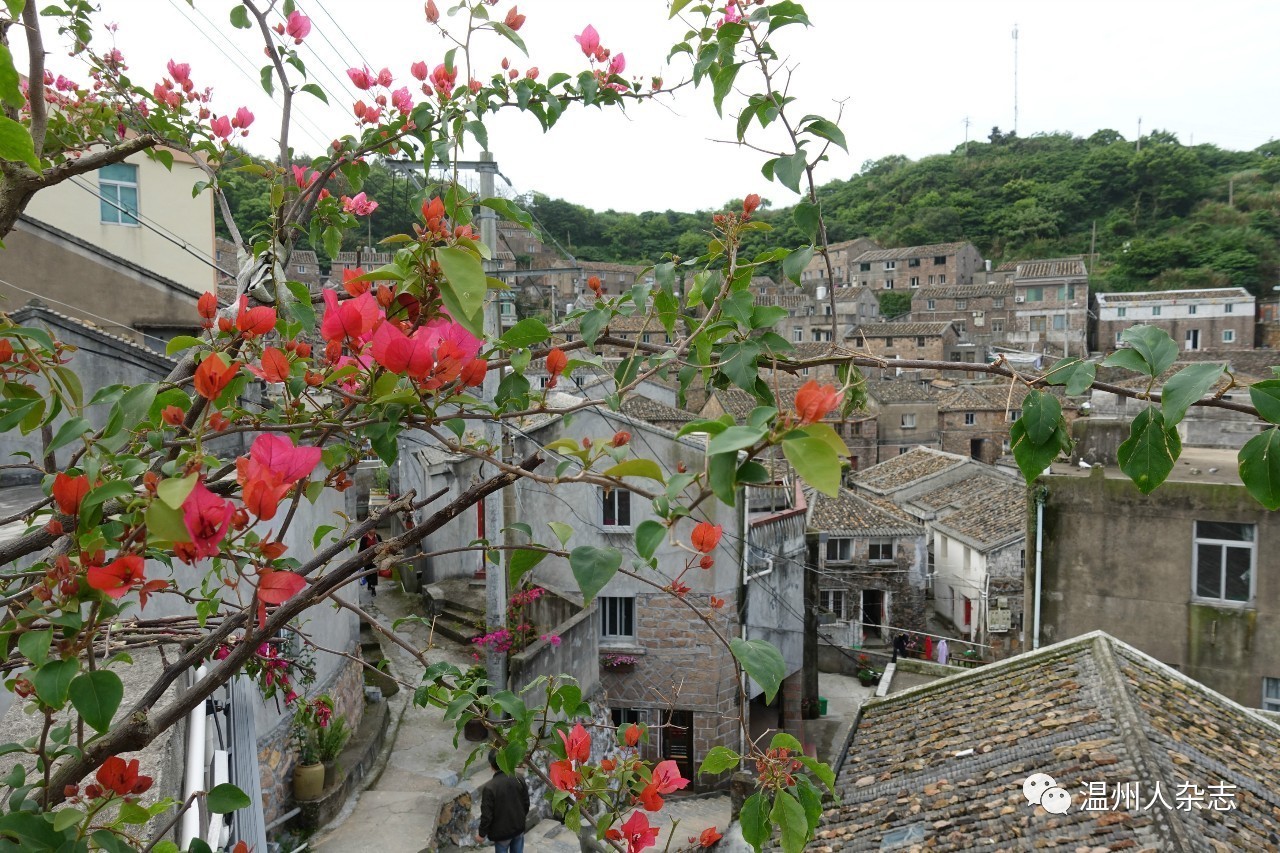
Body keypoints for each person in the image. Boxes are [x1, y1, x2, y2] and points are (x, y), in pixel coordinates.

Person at [477, 749, 529, 852]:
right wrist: (520, 819)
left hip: (501, 834)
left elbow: (487, 816)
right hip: (518, 828)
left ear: (491, 766)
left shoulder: (490, 788)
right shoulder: (519, 778)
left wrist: (481, 834)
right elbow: (526, 803)